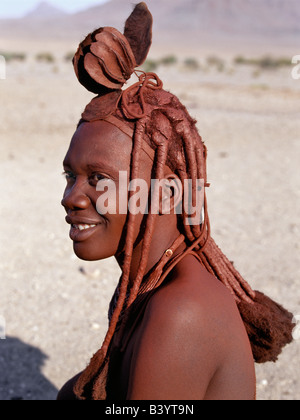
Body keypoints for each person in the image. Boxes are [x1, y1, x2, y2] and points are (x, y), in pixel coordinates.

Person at [57, 3, 294, 400]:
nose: (71, 198)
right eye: (70, 176)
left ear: (166, 193)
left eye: (98, 179)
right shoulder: (147, 286)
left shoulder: (181, 312)